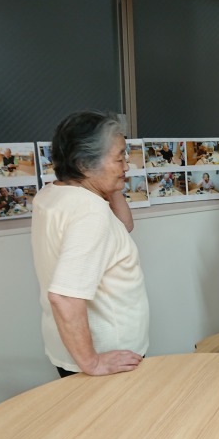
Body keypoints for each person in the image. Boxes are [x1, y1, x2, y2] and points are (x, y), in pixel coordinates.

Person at [31, 110, 148, 378]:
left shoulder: (53, 194)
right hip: (109, 354)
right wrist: (93, 363)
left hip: (68, 348)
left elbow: (123, 226)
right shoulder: (90, 213)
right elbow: (64, 296)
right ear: (85, 164)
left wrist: (111, 185)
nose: (127, 166)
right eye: (119, 158)